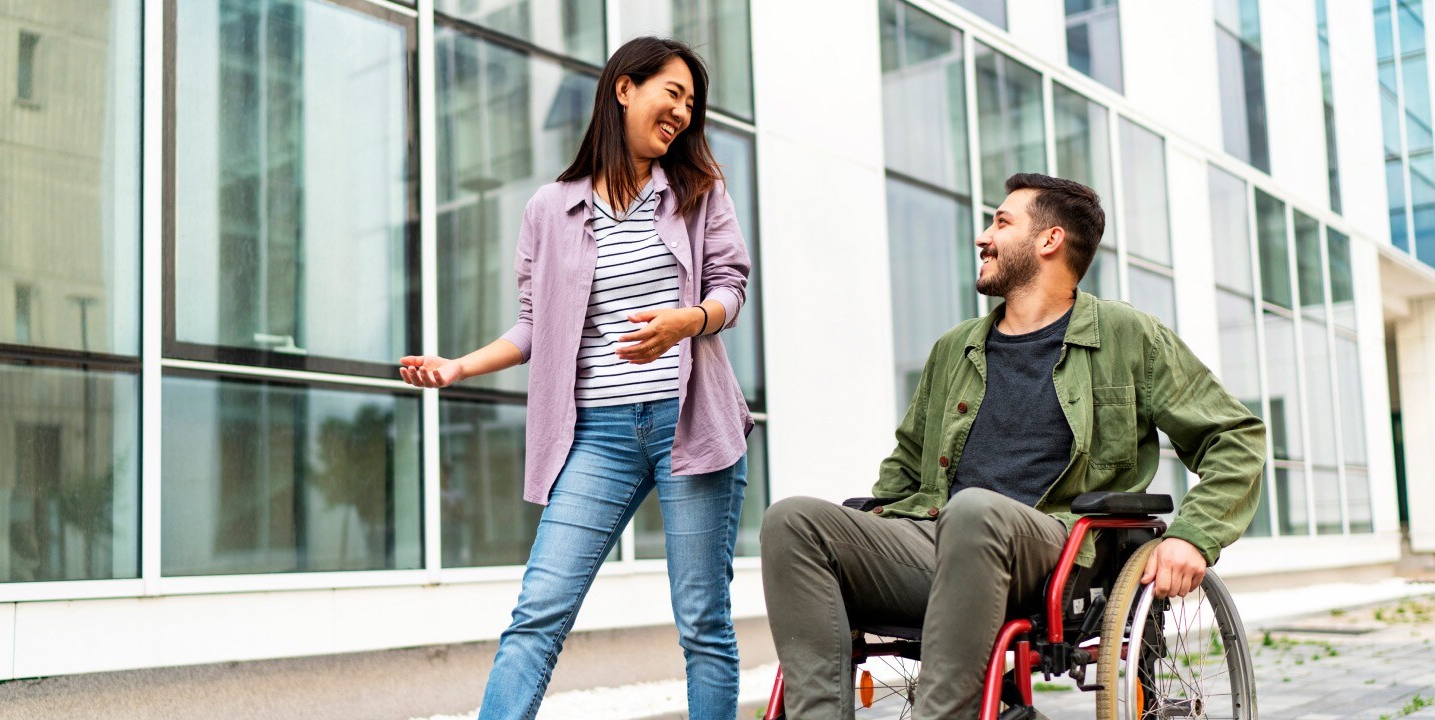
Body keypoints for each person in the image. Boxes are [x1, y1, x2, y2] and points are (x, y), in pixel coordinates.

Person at [759, 173, 1266, 719]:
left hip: (1056, 550)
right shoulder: (955, 349)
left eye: (1001, 222)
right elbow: (905, 466)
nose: (983, 236)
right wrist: (873, 525)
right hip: (939, 537)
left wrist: (1192, 537)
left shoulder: (1128, 336)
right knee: (792, 521)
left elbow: (1234, 437)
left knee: (975, 511)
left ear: (1049, 240)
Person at [398, 37, 753, 720]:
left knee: (702, 622)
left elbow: (730, 288)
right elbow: (535, 326)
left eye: (691, 103)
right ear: (624, 88)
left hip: (691, 424)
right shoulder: (550, 208)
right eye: (672, 93)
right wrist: (459, 365)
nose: (682, 112)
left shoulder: (698, 191)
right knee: (538, 612)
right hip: (598, 436)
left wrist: (687, 321)